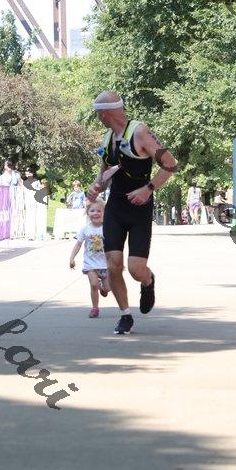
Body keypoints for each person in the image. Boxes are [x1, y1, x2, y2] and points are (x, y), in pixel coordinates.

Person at [87, 91, 177, 335]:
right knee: (113, 264)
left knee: (136, 269)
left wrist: (148, 189)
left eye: (98, 114)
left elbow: (170, 164)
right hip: (115, 207)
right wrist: (96, 186)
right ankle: (125, 315)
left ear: (105, 113)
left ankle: (148, 281)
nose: (98, 118)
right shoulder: (107, 138)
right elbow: (104, 174)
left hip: (139, 209)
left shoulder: (140, 132)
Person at [69, 199, 110, 318]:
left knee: (108, 288)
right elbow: (78, 244)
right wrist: (72, 258)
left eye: (99, 211)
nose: (95, 213)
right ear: (87, 213)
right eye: (92, 211)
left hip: (105, 264)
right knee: (93, 285)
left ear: (104, 212)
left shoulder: (108, 228)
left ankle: (103, 288)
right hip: (90, 264)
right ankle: (95, 308)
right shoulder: (85, 229)